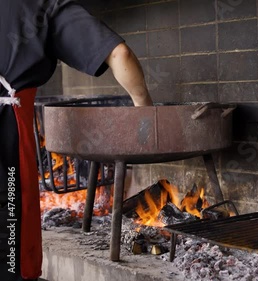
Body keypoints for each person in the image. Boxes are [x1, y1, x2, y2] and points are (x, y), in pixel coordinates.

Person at [0, 1, 153, 280]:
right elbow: (120, 54)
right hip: (5, 131)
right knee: (11, 239)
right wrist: (145, 109)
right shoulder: (41, 6)